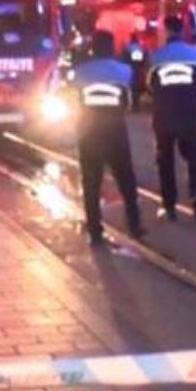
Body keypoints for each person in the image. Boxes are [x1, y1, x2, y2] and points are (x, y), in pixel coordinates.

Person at [71, 30, 145, 246]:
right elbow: (128, 102)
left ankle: (95, 230)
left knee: (91, 183)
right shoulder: (124, 71)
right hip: (115, 131)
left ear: (92, 48)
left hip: (88, 132)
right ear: (111, 47)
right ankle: (134, 224)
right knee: (126, 179)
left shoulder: (80, 73)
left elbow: (74, 99)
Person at [148, 15, 196, 220]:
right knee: (192, 157)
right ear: (182, 31)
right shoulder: (195, 54)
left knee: (166, 161)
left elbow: (151, 86)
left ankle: (170, 205)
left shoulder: (156, 57)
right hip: (189, 113)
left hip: (165, 116)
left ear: (167, 32)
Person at [122, 33, 147, 110]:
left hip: (130, 68)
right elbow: (144, 58)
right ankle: (137, 104)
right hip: (139, 69)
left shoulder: (128, 48)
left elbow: (124, 59)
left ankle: (132, 104)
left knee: (132, 87)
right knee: (137, 87)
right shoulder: (141, 48)